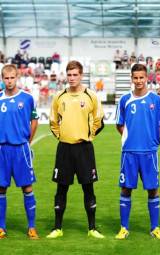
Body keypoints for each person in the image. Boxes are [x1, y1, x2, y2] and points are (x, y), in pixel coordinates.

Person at [47, 61, 105, 239]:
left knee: (88, 188)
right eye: (69, 75)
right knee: (61, 189)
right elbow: (53, 122)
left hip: (84, 149)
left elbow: (98, 120)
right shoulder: (59, 96)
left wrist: (88, 135)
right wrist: (62, 136)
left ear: (81, 75)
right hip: (64, 149)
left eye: (75, 75)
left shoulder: (90, 96)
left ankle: (92, 228)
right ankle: (57, 228)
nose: (71, 78)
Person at [114, 64, 160, 240]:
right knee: (126, 189)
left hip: (149, 152)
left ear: (147, 78)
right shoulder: (124, 100)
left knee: (153, 189)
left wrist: (150, 140)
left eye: (141, 78)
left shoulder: (156, 100)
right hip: (129, 152)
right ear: (131, 78)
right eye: (135, 78)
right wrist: (130, 139)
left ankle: (155, 228)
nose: (138, 81)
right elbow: (119, 124)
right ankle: (124, 228)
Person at [0, 64, 39, 239]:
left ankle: (31, 227)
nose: (9, 81)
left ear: (17, 77)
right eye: (6, 78)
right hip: (2, 150)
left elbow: (34, 121)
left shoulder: (27, 98)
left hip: (21, 149)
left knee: (27, 187)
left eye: (12, 78)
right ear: (2, 79)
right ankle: (1, 227)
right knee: (1, 189)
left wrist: (27, 142)